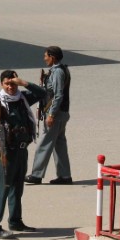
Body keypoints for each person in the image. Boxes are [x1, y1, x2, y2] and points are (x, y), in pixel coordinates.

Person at [0, 70, 46, 239]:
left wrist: (24, 83)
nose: (11, 87)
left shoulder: (23, 98)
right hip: (6, 152)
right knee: (2, 188)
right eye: (7, 83)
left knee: (17, 188)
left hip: (21, 151)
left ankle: (15, 221)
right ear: (1, 85)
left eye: (13, 83)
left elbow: (43, 93)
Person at [26, 46, 72, 185]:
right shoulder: (61, 69)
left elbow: (58, 95)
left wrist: (51, 114)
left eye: (46, 56)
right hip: (61, 113)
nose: (44, 58)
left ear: (52, 57)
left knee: (44, 143)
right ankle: (65, 176)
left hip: (56, 114)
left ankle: (36, 175)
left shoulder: (57, 72)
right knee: (59, 145)